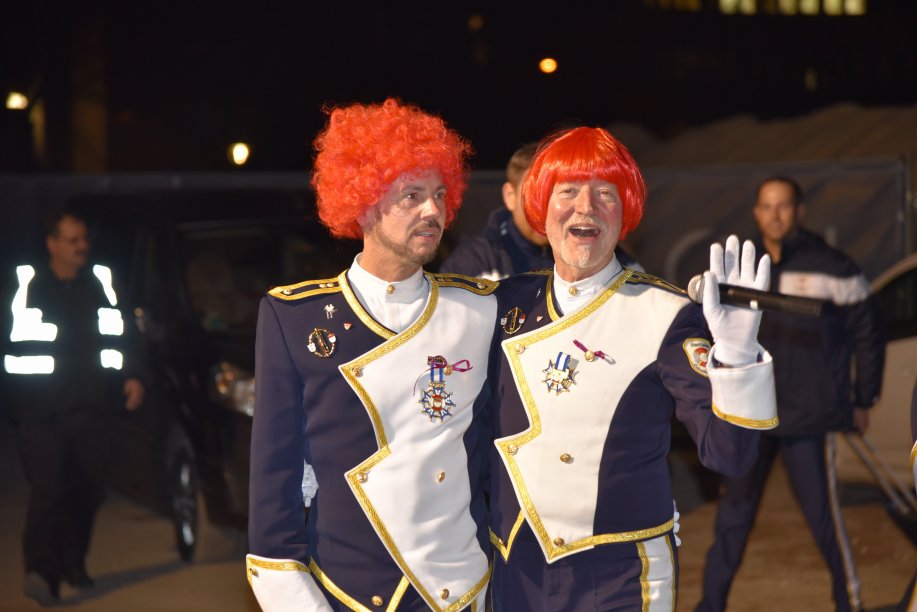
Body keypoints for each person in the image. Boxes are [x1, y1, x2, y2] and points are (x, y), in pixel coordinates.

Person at [485, 126, 778, 609]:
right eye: (568, 191)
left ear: (625, 214)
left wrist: (737, 354)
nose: (586, 207)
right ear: (540, 206)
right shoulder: (502, 305)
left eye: (606, 193)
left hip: (622, 578)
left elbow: (730, 456)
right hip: (517, 570)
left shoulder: (665, 314)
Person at [246, 98, 498, 611]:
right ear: (362, 204)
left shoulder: (478, 308)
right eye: (412, 196)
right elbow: (276, 489)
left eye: (440, 194)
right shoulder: (293, 318)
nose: (433, 211)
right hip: (349, 596)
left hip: (464, 591)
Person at [697, 176, 886, 612]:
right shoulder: (743, 269)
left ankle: (849, 603)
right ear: (756, 212)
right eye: (767, 206)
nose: (775, 215)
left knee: (824, 519)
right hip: (750, 415)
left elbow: (870, 336)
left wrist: (864, 398)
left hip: (809, 417)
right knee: (732, 519)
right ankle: (710, 606)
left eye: (783, 206)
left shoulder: (834, 267)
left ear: (799, 210)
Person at [3, 207, 145, 606]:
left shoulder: (102, 282)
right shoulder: (25, 285)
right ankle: (41, 573)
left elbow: (125, 333)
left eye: (84, 239)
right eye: (73, 240)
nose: (82, 246)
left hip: (92, 408)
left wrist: (134, 375)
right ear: (52, 244)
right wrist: (15, 403)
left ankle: (72, 562)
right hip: (40, 414)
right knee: (48, 491)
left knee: (87, 491)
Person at [439, 142, 641, 279]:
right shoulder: (473, 263)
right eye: (534, 195)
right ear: (510, 196)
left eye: (559, 194)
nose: (544, 206)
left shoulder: (613, 259)